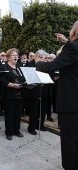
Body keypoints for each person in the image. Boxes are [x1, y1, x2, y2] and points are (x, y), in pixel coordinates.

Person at [36, 20, 78, 170]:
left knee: (69, 139)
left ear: (73, 32)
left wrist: (38, 63)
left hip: (71, 102)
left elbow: (50, 66)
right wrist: (66, 41)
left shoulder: (72, 47)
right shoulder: (73, 46)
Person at [0, 48, 25, 140]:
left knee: (18, 114)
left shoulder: (19, 67)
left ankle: (16, 130)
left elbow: (23, 78)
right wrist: (13, 85)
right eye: (14, 55)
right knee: (9, 114)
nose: (16, 57)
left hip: (20, 94)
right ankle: (9, 132)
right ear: (8, 57)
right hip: (9, 94)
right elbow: (1, 80)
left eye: (16, 55)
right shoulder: (4, 67)